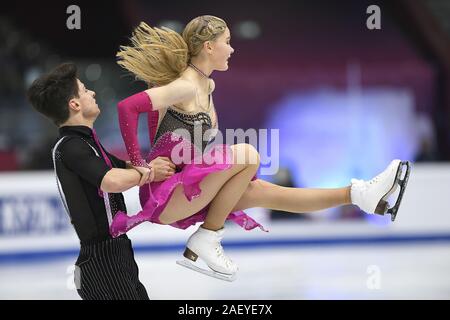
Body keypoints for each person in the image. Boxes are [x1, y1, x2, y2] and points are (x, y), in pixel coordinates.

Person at [110, 16, 410, 281]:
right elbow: (127, 108)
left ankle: (359, 196)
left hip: (188, 186)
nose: (232, 49)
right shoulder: (185, 86)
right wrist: (141, 166)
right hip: (166, 196)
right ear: (208, 47)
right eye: (227, 42)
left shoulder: (207, 87)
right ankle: (208, 236)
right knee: (248, 155)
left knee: (268, 193)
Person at [27, 62, 158, 299]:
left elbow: (128, 168)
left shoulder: (89, 144)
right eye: (86, 90)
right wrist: (149, 173)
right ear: (74, 104)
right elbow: (112, 181)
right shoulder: (70, 147)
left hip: (115, 255)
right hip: (101, 261)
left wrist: (158, 165)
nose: (93, 93)